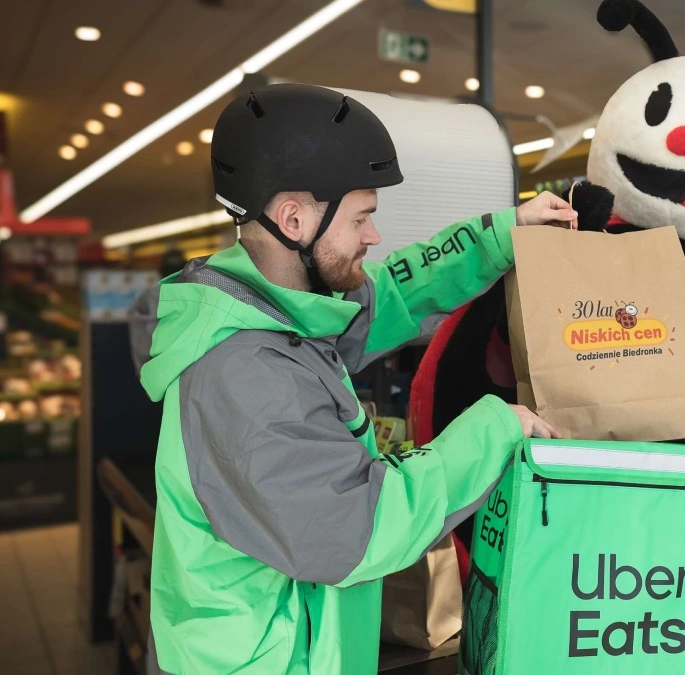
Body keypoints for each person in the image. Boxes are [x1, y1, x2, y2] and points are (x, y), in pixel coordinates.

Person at [130, 83, 576, 674]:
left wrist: (503, 233)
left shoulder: (277, 311)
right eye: (362, 216)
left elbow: (390, 292)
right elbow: (357, 530)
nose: (374, 235)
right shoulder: (245, 375)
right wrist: (495, 428)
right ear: (294, 219)